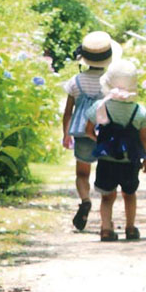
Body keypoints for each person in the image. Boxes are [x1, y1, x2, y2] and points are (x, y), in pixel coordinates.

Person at [85, 59, 146, 241]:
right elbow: (143, 138)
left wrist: (102, 142)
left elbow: (88, 130)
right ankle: (130, 228)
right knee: (129, 195)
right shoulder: (139, 111)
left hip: (107, 160)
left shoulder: (101, 106)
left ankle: (106, 228)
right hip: (129, 161)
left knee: (107, 197)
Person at [61, 31, 119, 231]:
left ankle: (85, 200)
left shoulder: (76, 81)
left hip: (81, 133)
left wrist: (66, 133)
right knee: (106, 174)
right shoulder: (110, 82)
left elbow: (68, 112)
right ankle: (106, 216)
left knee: (82, 173)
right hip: (105, 133)